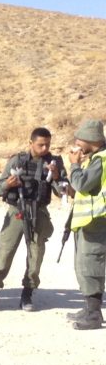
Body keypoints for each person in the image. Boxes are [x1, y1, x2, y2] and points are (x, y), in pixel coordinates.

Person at [0, 127, 68, 312]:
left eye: (47, 144)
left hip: (39, 213)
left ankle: (27, 294)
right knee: (4, 254)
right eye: (40, 144)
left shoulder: (54, 162)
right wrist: (8, 184)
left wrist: (57, 176)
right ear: (31, 143)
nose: (44, 148)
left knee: (35, 258)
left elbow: (63, 192)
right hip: (17, 212)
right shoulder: (17, 160)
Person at [65, 119, 106, 330]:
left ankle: (93, 314)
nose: (77, 143)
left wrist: (74, 165)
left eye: (80, 139)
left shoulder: (101, 159)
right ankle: (88, 308)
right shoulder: (96, 158)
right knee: (84, 265)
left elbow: (81, 183)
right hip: (88, 222)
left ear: (91, 139)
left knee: (91, 265)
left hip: (96, 222)